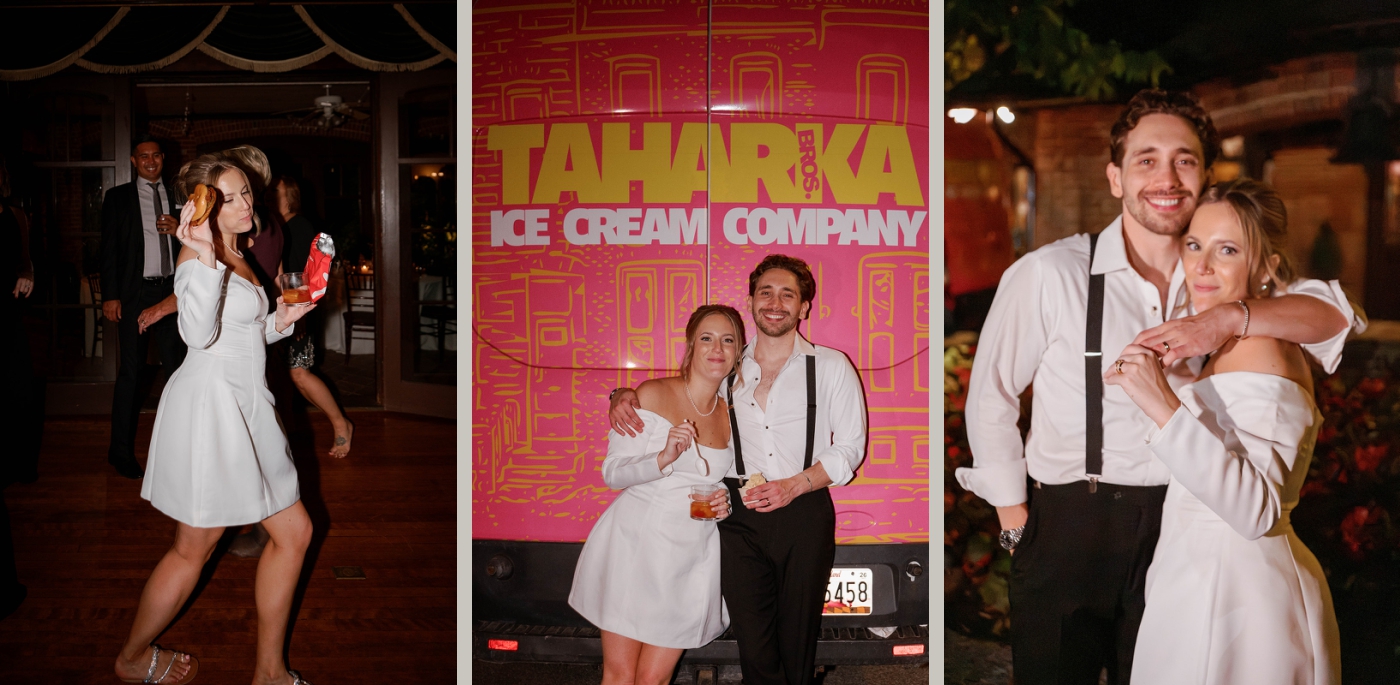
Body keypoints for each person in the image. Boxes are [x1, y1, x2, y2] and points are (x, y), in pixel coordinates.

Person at [954, 89, 1362, 685]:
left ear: (1203, 174)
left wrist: (1229, 317)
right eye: (1146, 159)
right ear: (1115, 177)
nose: (1166, 177)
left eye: (1185, 159)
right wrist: (1017, 522)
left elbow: (1335, 313)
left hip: (1178, 521)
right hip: (1072, 522)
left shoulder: (1223, 279)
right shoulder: (1050, 273)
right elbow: (990, 397)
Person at [1106, 179, 1340, 684]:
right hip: (1199, 575)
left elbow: (1255, 510)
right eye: (1194, 244)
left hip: (1237, 594)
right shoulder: (1229, 344)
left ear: (1267, 266)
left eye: (1227, 249)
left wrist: (1160, 401)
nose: (1202, 265)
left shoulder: (1263, 345)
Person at [609, 255, 868, 685]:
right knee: (755, 646)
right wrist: (622, 394)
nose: (775, 302)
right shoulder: (727, 366)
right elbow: (676, 392)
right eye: (765, 292)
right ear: (750, 301)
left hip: (805, 511)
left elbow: (850, 449)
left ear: (804, 307)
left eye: (788, 294)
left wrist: (795, 485)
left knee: (797, 645)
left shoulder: (831, 366)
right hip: (739, 520)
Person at [113, 151, 317, 685]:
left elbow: (244, 333)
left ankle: (269, 672)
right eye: (230, 196)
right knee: (192, 550)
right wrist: (201, 254)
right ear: (203, 206)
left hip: (249, 405)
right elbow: (199, 337)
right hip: (213, 408)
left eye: (247, 191)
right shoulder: (195, 257)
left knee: (293, 532)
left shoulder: (238, 252)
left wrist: (282, 319)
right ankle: (132, 656)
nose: (247, 202)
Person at [570, 304, 741, 685]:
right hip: (636, 546)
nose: (717, 349)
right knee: (620, 675)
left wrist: (721, 505)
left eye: (728, 340)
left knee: (654, 679)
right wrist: (662, 457)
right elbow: (612, 473)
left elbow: (716, 483)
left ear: (737, 351)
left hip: (689, 556)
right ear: (690, 346)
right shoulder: (651, 393)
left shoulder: (730, 414)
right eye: (707, 338)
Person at [228, 175, 356, 560]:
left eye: (269, 192)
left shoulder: (296, 227)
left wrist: (292, 319)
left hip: (291, 319)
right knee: (292, 384)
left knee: (299, 376)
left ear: (288, 196)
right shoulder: (276, 227)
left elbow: (300, 279)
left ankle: (340, 424)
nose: (260, 198)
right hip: (282, 320)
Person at [100, 135, 187, 479]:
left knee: (179, 372)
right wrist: (110, 295)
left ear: (163, 159)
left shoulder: (180, 197)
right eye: (143, 156)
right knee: (131, 375)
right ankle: (119, 452)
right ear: (134, 161)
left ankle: (182, 450)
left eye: (156, 155)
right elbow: (108, 250)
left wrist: (179, 229)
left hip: (173, 294)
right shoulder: (118, 198)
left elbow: (199, 239)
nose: (151, 161)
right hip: (135, 296)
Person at [0, 155, 36, 619]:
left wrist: (27, 272)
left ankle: (15, 461)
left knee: (18, 393)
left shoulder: (14, 215)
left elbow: (25, 256)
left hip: (6, 315)